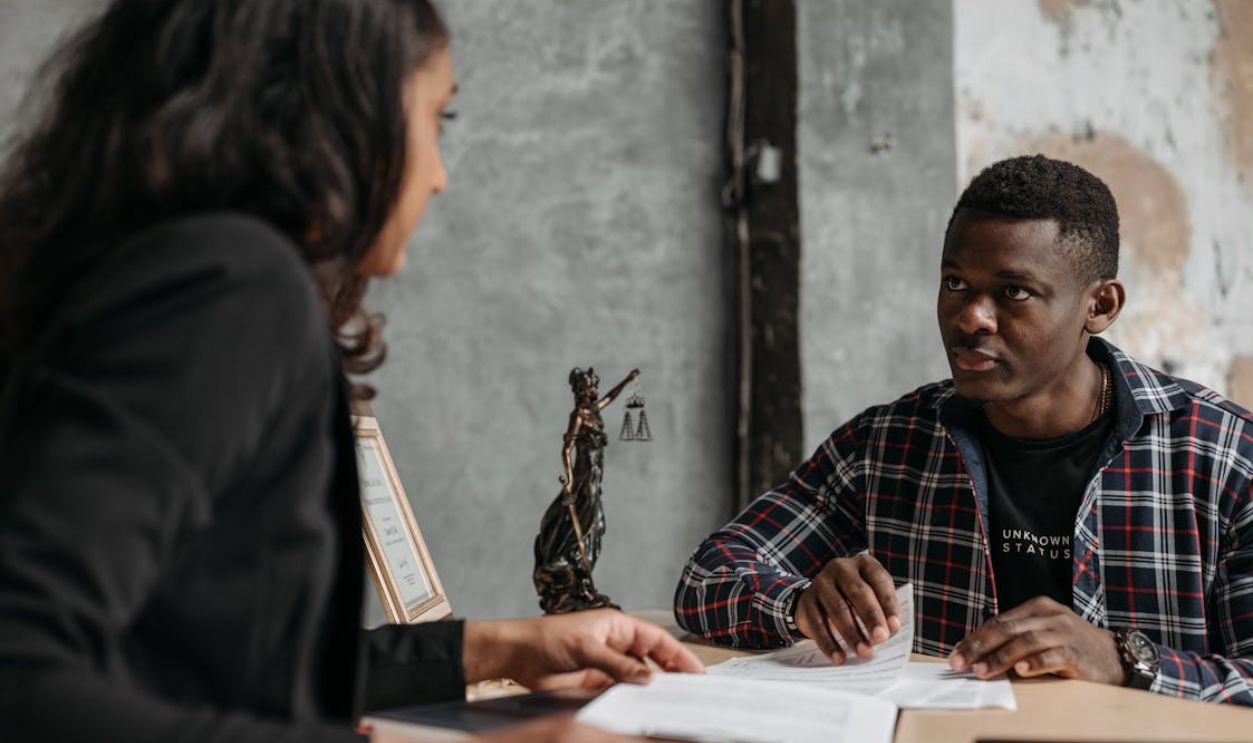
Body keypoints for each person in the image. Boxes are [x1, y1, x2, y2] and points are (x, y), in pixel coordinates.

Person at [0, 2, 701, 742]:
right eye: (437, 119)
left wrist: (497, 647)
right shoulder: (231, 287)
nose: (438, 177)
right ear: (334, 114)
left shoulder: (158, 275)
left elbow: (217, 668)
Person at [675, 155, 1253, 705]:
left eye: (1014, 292)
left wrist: (1126, 660)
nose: (970, 317)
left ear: (1099, 305)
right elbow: (708, 576)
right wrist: (800, 603)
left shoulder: (1226, 457)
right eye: (955, 283)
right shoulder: (886, 445)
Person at [534, 367, 638, 614]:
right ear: (580, 390)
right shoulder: (579, 415)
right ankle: (567, 568)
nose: (593, 390)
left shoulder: (594, 410)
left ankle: (581, 578)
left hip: (596, 475)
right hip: (585, 475)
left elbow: (611, 397)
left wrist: (627, 380)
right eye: (589, 387)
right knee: (587, 521)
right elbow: (566, 448)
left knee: (596, 525)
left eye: (594, 386)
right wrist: (570, 481)